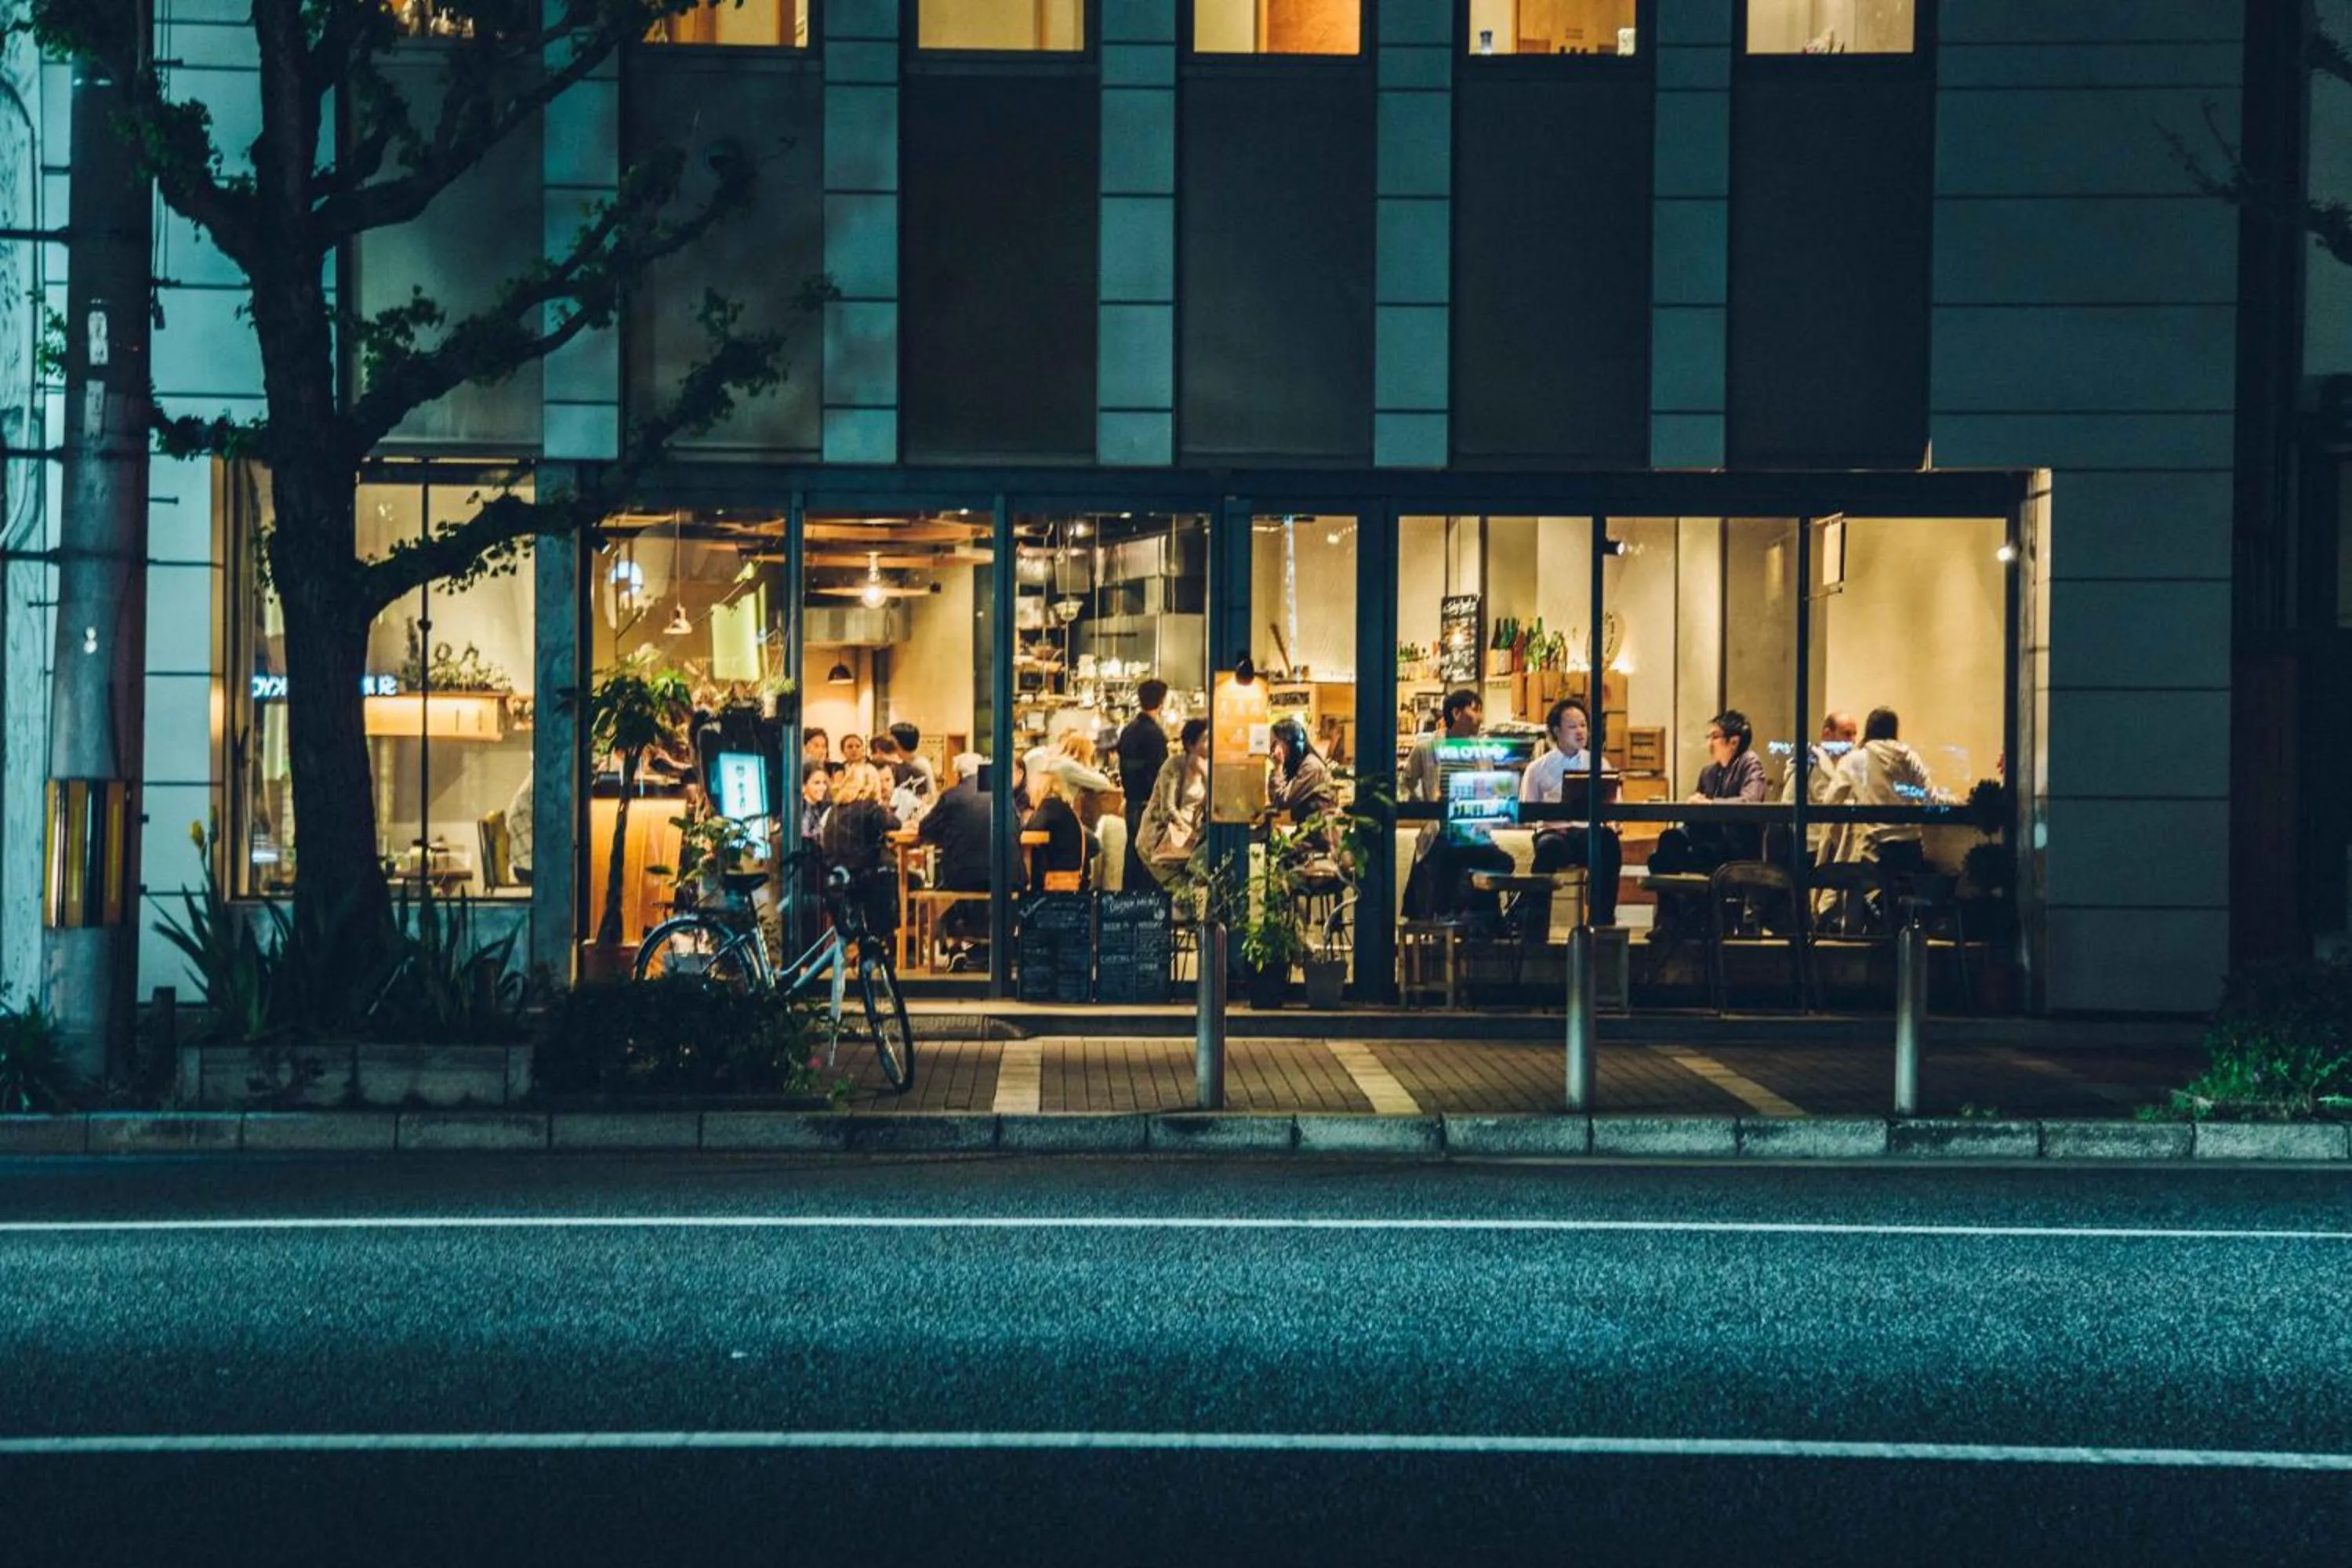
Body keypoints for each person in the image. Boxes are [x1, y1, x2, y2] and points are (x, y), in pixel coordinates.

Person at [1400, 688, 1512, 920]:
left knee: (1503, 862)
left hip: (1472, 833)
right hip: (1440, 834)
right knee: (1449, 861)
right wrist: (1423, 807)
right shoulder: (1427, 748)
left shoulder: (1482, 751)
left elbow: (1490, 790)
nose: (1480, 718)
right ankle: (1459, 917)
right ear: (1456, 713)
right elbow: (1404, 783)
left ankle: (1470, 917)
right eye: (1475, 710)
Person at [1521, 697, 1621, 926]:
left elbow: (1613, 804)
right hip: (1555, 834)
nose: (1580, 732)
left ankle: (1602, 922)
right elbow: (1527, 812)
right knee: (1548, 849)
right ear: (1557, 731)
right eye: (1573, 726)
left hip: (1587, 834)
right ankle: (1535, 927)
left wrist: (1613, 822)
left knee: (1608, 843)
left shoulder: (1599, 764)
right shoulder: (1537, 768)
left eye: (1583, 725)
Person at [1828, 706, 1940, 877]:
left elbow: (1830, 802)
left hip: (1876, 847)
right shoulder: (1910, 757)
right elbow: (1931, 799)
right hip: (1911, 846)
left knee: (1873, 888)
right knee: (1905, 889)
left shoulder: (1854, 760)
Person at [920, 751, 994, 948]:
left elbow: (925, 828)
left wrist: (948, 836)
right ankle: (974, 943)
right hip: (1002, 876)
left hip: (961, 875)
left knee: (945, 886)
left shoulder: (951, 796)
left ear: (959, 775)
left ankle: (954, 944)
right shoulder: (1001, 795)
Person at [818, 761, 899, 935]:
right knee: (907, 880)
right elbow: (894, 824)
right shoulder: (870, 806)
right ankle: (895, 939)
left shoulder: (834, 810)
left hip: (835, 878)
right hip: (862, 878)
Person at [1137, 717, 1210, 889]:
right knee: (1180, 890)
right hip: (1160, 840)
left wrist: (1206, 775)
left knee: (1193, 887)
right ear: (1190, 744)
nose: (1211, 744)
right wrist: (1190, 834)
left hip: (1186, 844)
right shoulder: (1174, 765)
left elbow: (1212, 804)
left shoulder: (1208, 768)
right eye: (1206, 740)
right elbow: (1168, 810)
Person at [1116, 679, 1171, 892]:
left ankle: (1128, 900)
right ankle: (1147, 903)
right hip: (1149, 804)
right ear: (1161, 702)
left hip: (1131, 801)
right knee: (1150, 856)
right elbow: (1162, 774)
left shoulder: (1128, 731)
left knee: (1133, 851)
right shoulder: (1156, 735)